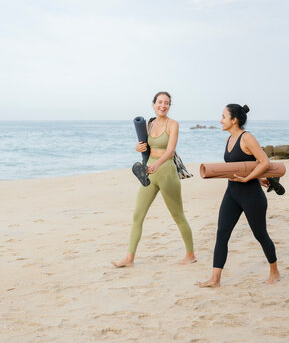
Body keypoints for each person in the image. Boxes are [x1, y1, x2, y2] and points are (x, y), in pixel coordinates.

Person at [198, 104, 280, 287]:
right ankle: (215, 279)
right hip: (232, 193)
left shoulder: (247, 138)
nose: (220, 120)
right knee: (222, 233)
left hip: (251, 195)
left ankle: (274, 272)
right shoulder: (229, 139)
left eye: (223, 116)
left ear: (234, 120)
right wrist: (257, 177)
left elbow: (264, 161)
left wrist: (250, 179)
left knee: (260, 234)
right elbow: (245, 164)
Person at [112, 92, 196, 267]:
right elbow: (144, 146)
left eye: (166, 103)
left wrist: (157, 164)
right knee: (138, 215)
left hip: (166, 172)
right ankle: (129, 258)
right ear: (153, 104)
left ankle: (190, 254)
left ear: (169, 106)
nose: (163, 105)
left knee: (178, 215)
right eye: (160, 102)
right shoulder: (149, 124)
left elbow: (170, 151)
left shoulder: (173, 125)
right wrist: (138, 147)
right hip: (148, 171)